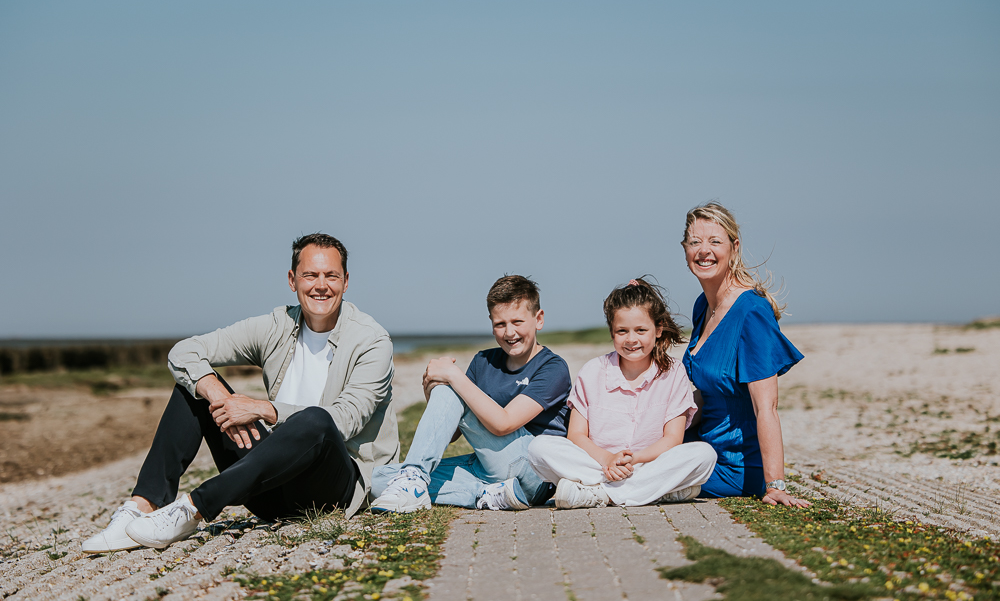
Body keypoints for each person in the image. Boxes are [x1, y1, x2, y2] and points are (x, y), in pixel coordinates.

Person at [81, 233, 397, 553]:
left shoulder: (371, 341)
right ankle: (142, 506)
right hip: (270, 488)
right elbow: (185, 352)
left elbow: (345, 420)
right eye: (310, 275)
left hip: (332, 489)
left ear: (346, 281)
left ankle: (191, 509)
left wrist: (263, 409)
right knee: (193, 388)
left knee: (316, 419)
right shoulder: (277, 325)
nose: (321, 285)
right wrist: (218, 394)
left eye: (331, 275)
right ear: (292, 279)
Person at [370, 275, 571, 512]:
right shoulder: (483, 361)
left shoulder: (553, 368)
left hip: (535, 472)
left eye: (517, 321)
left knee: (451, 389)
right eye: (500, 324)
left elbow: (503, 424)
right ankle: (485, 494)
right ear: (491, 322)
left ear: (539, 319)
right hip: (488, 469)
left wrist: (453, 377)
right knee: (379, 480)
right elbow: (453, 434)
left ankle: (415, 478)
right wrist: (434, 392)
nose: (509, 332)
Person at [528, 278, 717, 509]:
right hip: (598, 464)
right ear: (611, 332)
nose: (631, 339)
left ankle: (600, 494)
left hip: (651, 464)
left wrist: (634, 460)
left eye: (640, 330)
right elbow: (576, 436)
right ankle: (651, 492)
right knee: (539, 449)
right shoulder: (592, 371)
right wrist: (608, 459)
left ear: (657, 330)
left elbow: (673, 439)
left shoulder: (674, 372)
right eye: (622, 331)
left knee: (704, 454)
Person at [680, 202, 809, 507]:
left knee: (645, 471)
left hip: (736, 465)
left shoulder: (752, 312)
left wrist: (775, 484)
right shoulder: (703, 306)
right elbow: (706, 395)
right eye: (695, 242)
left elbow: (767, 408)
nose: (703, 251)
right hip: (703, 447)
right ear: (684, 249)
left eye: (714, 241)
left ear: (734, 248)